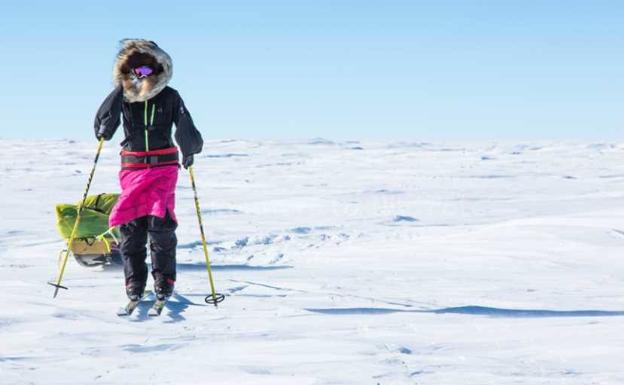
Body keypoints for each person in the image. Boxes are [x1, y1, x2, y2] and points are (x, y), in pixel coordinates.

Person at [93, 39, 203, 301]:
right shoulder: (123, 98)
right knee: (131, 227)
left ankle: (164, 279)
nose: (141, 76)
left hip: (163, 168)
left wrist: (189, 149)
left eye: (145, 70)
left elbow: (185, 125)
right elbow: (104, 126)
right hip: (132, 169)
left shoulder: (170, 96)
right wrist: (120, 90)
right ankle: (134, 281)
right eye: (134, 71)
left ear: (158, 69)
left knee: (160, 225)